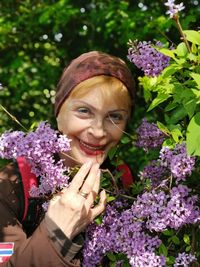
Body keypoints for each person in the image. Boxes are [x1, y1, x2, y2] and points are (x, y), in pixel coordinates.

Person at [0, 51, 135, 266]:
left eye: (115, 116)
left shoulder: (126, 182)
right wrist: (56, 234)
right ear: (59, 112)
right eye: (84, 111)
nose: (98, 131)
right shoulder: (10, 187)